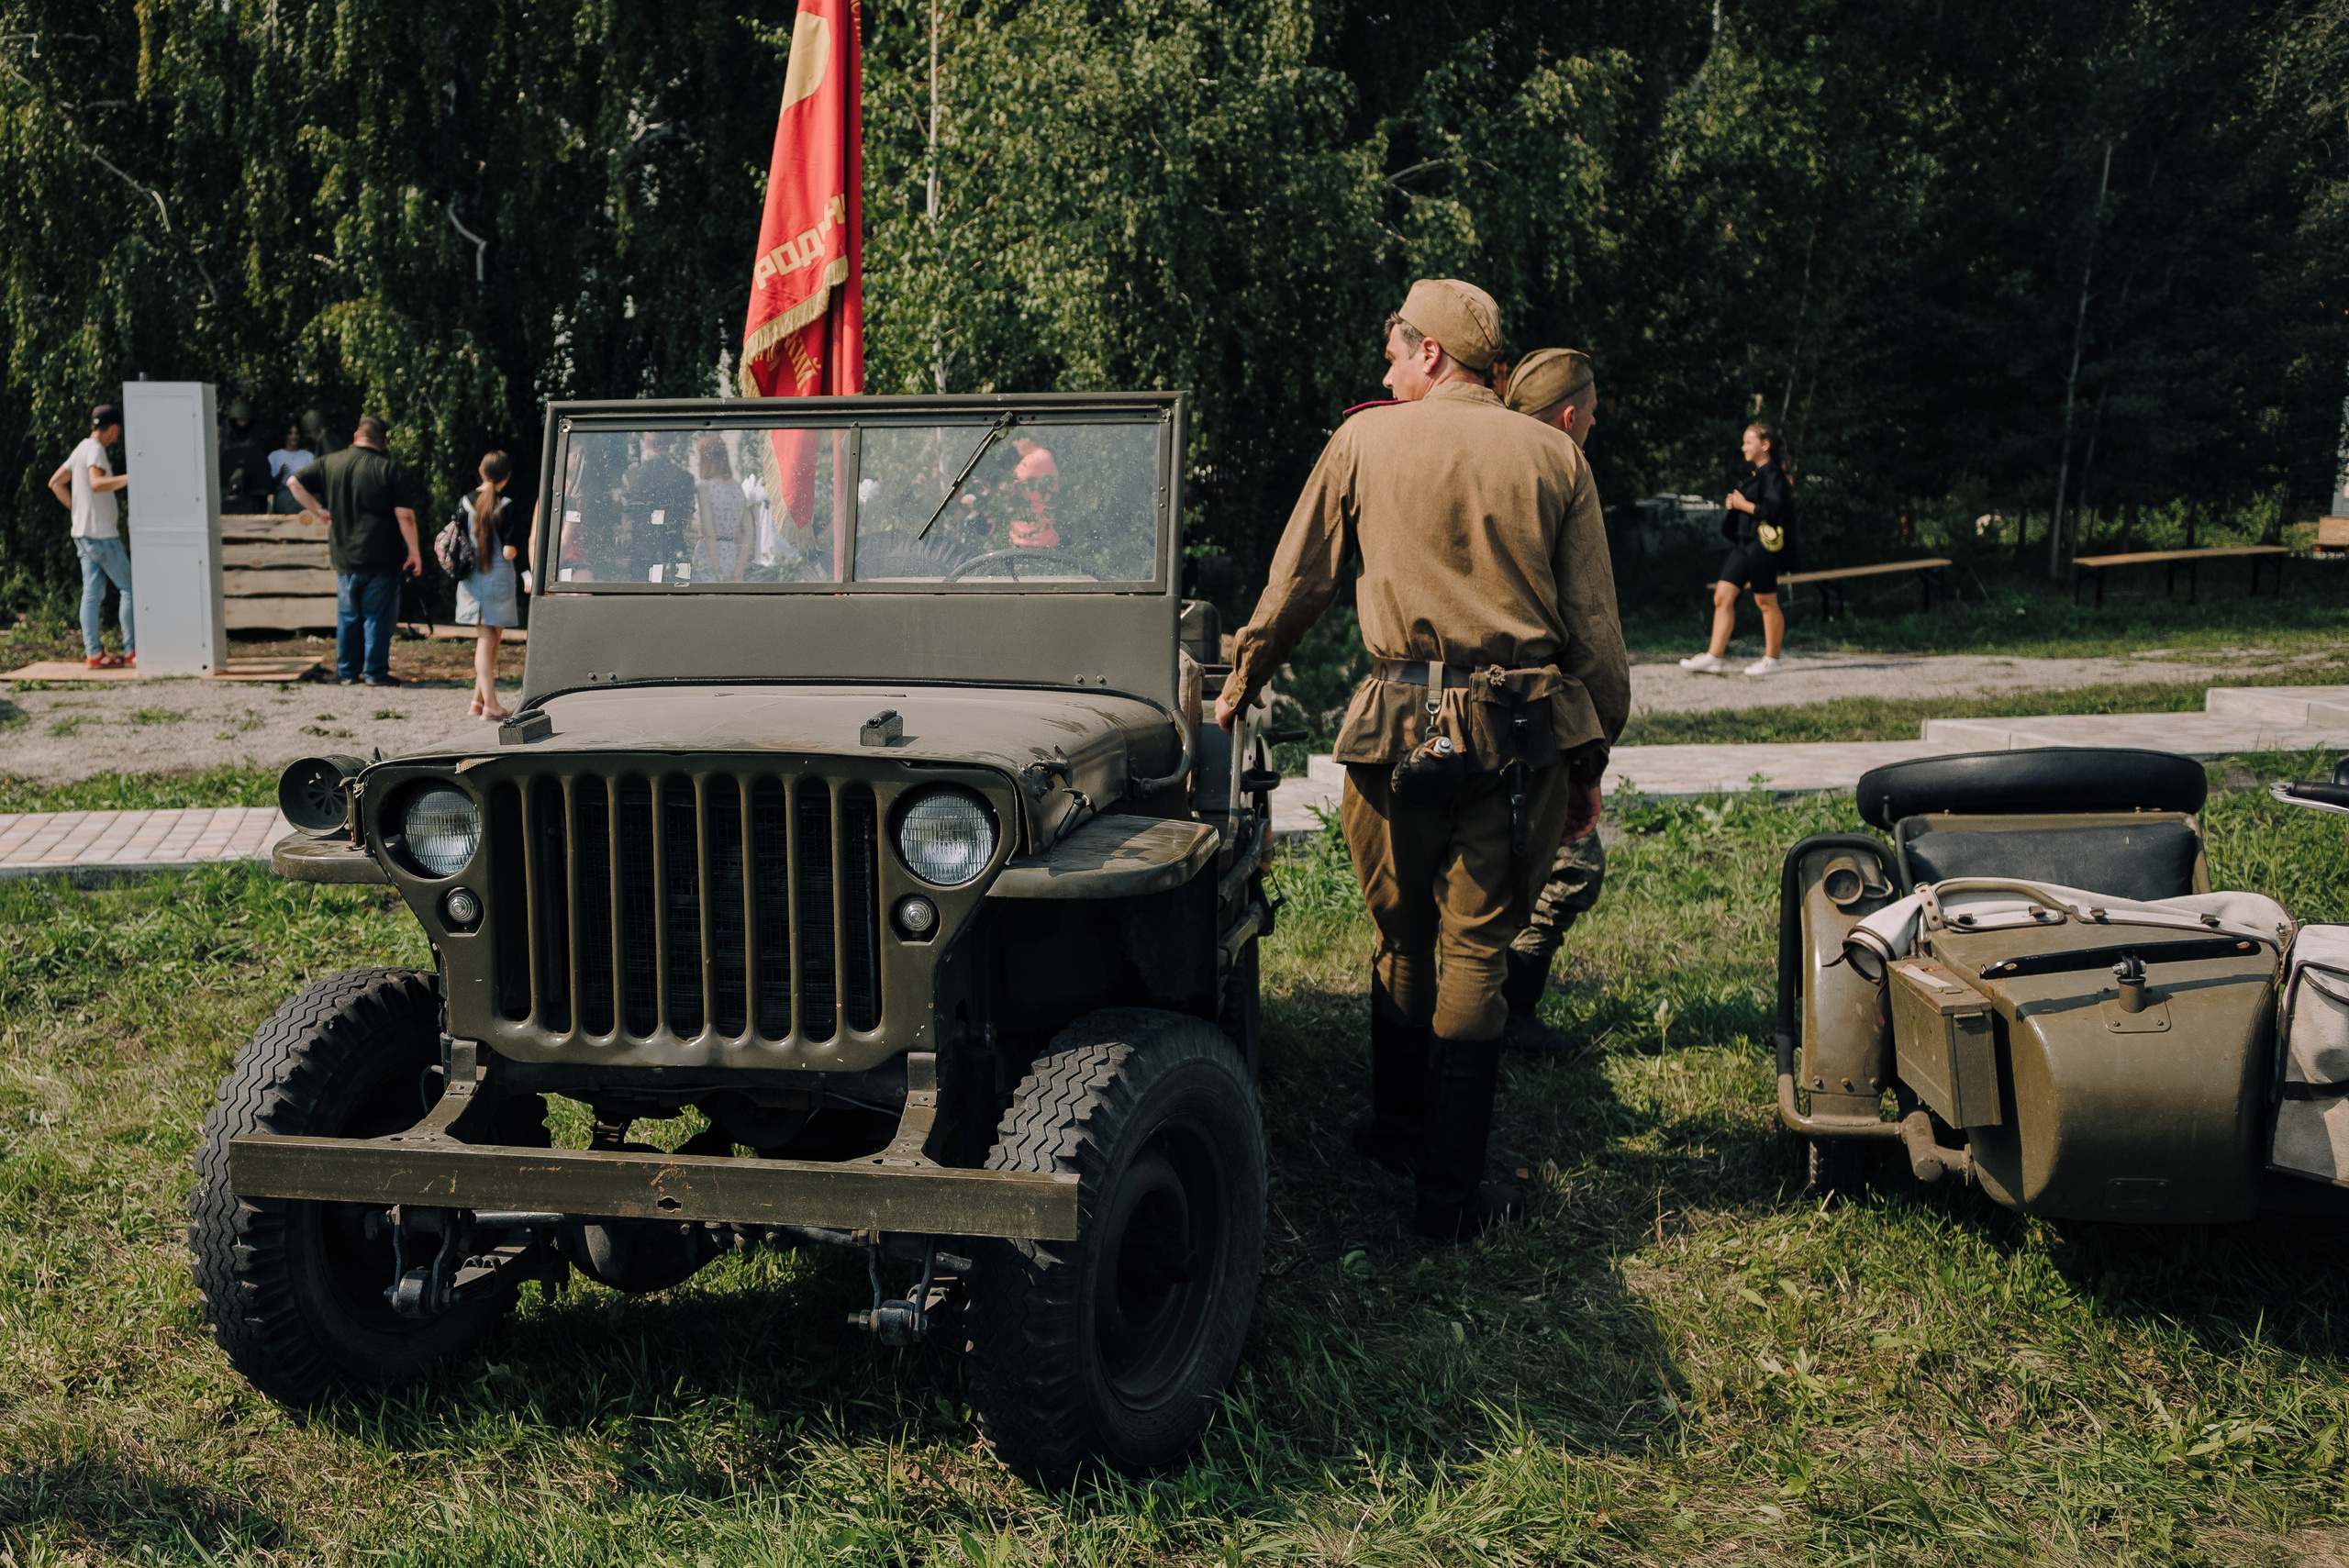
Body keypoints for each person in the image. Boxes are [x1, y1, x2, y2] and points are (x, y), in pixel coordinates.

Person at [1214, 280, 1631, 1240]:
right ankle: (1447, 1198)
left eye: (1396, 347)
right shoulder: (1554, 456)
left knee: (1401, 937)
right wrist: (1589, 755)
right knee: (1478, 949)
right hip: (1520, 737)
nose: (1386, 365)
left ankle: (1394, 1128)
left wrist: (1240, 679)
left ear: (1434, 352)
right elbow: (1597, 635)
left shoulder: (1360, 438)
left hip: (1391, 728)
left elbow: (1297, 582)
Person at [1497, 349, 1611, 1052]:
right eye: (1592, 419)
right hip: (1530, 709)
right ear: (1569, 418)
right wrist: (1593, 750)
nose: (1592, 430)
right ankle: (1507, 1013)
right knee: (1570, 864)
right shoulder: (1560, 471)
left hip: (1430, 701)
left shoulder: (1474, 456)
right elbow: (1593, 625)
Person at [287, 415, 422, 686]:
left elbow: (293, 483)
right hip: (382, 557)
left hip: (344, 556)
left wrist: (320, 511)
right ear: (383, 443)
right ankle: (375, 673)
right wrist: (414, 552)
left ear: (355, 436)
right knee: (377, 617)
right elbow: (404, 516)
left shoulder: (329, 462)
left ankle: (347, 673)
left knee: (348, 617)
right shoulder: (388, 469)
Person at [1679, 421, 1798, 678]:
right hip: (1743, 544)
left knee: (1765, 601)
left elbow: (1772, 511)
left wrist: (1743, 504)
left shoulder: (1774, 474)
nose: (1743, 447)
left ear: (1764, 445)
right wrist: (1735, 504)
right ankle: (1714, 657)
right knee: (1722, 595)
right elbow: (1752, 506)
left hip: (1762, 546)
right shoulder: (1756, 474)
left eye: (1748, 442)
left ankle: (1772, 659)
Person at [47, 403, 134, 669]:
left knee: (92, 594)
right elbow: (96, 484)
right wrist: (132, 477)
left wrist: (77, 510)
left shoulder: (81, 448)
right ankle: (133, 651)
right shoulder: (95, 449)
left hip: (83, 533)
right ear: (114, 428)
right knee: (130, 589)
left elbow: (55, 483)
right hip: (101, 534)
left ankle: (94, 653)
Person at [454, 450, 520, 718]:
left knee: (486, 638)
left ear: (481, 471)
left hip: (471, 578)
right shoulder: (507, 504)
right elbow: (509, 552)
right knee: (490, 639)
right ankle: (491, 705)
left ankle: (477, 702)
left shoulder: (464, 502)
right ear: (506, 477)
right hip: (499, 578)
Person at [692, 435, 749, 582]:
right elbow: (749, 531)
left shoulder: (704, 487)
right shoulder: (737, 487)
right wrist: (739, 566)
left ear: (705, 457)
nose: (697, 459)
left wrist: (717, 570)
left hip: (709, 555)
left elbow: (709, 532)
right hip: (732, 553)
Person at [218, 399, 273, 515]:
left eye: (245, 419)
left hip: (254, 492)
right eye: (239, 419)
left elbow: (261, 466)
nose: (242, 422)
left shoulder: (256, 439)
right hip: (229, 492)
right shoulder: (226, 441)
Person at [1007, 434, 1059, 549]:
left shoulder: (1034, 459)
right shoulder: (1046, 457)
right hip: (1039, 535)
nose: (1015, 444)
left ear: (1029, 438)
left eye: (1017, 439)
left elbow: (1009, 489)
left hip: (1031, 539)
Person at [268, 420, 317, 512]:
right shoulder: (274, 456)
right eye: (290, 433)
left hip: (305, 495)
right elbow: (269, 485)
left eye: (296, 433)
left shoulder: (309, 456)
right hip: (284, 497)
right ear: (284, 436)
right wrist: (280, 474)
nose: (294, 437)